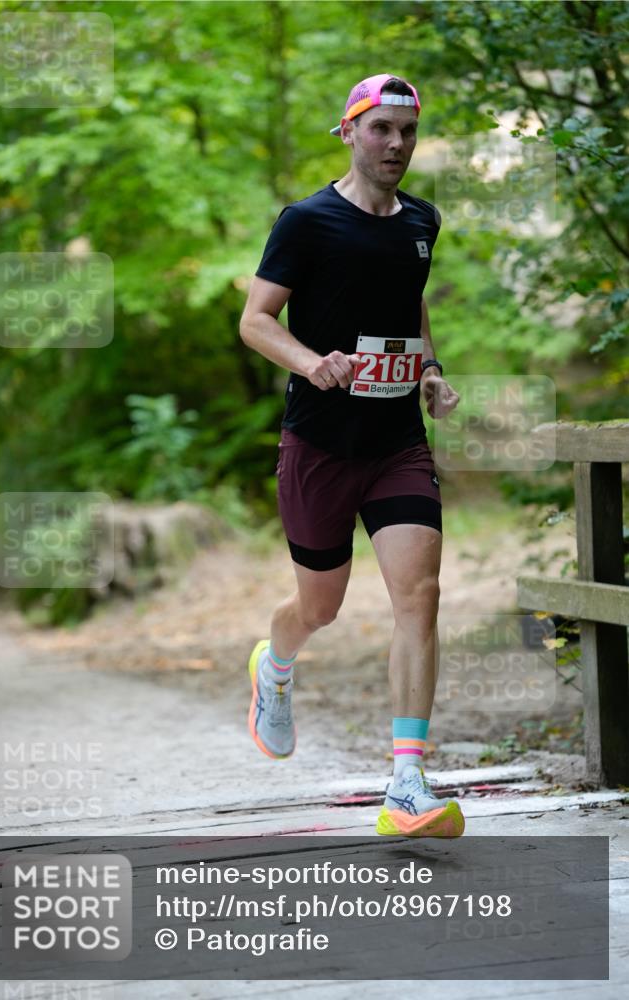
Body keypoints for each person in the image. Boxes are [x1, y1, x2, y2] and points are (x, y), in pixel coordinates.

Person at [240, 73, 463, 838]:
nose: (396, 144)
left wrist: (429, 371)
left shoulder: (422, 222)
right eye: (381, 130)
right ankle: (274, 664)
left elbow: (410, 306)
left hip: (397, 442)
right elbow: (255, 320)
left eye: (406, 131)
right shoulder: (306, 221)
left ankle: (406, 783)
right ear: (350, 132)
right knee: (320, 608)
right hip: (320, 445)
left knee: (419, 595)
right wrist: (310, 363)